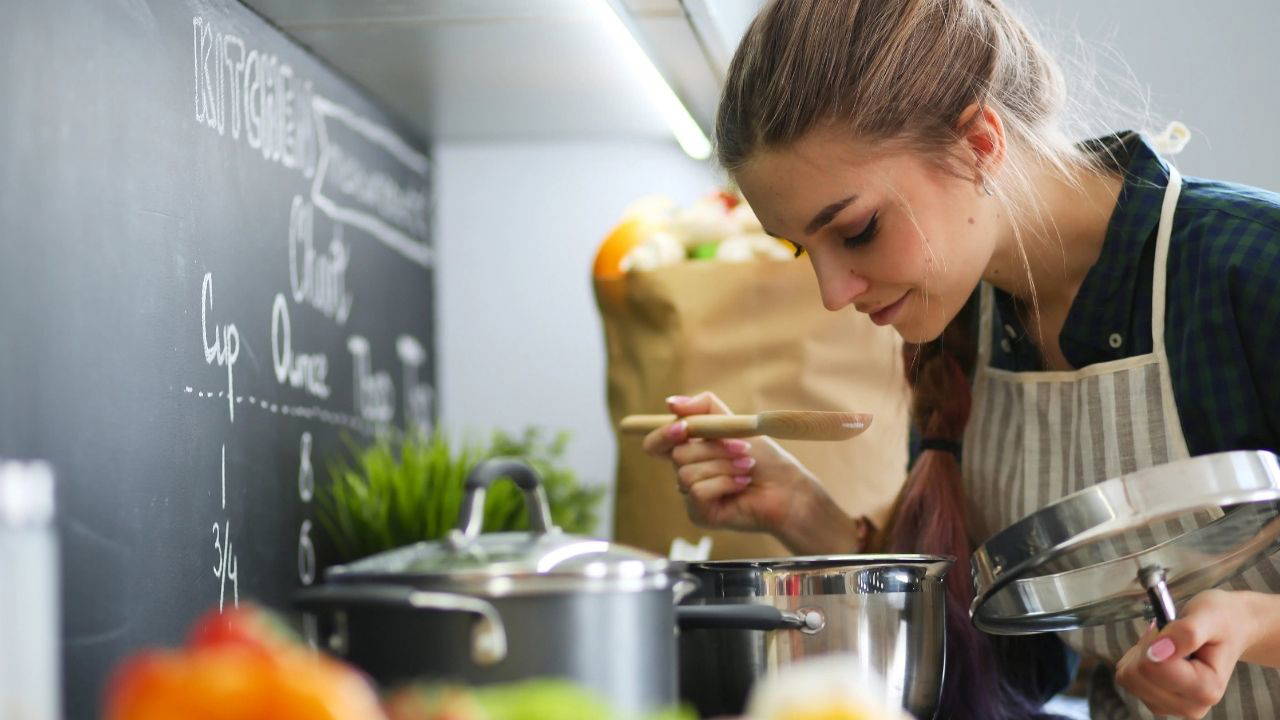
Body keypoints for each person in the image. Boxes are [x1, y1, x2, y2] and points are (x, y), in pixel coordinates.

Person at [640, 1, 1280, 718]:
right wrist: (802, 510)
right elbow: (1005, 667)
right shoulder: (962, 329)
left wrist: (1255, 623)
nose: (831, 293)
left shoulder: (1251, 265)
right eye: (801, 250)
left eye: (856, 230)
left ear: (979, 142)